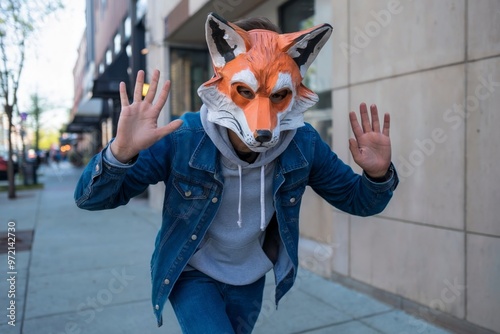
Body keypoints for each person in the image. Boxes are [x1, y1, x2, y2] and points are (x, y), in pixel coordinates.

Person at [75, 12, 398, 334]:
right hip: (192, 271)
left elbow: (360, 202)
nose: (262, 120)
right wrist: (120, 152)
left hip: (249, 275)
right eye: (245, 91)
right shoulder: (182, 138)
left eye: (277, 95)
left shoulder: (303, 143)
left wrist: (377, 175)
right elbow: (92, 200)